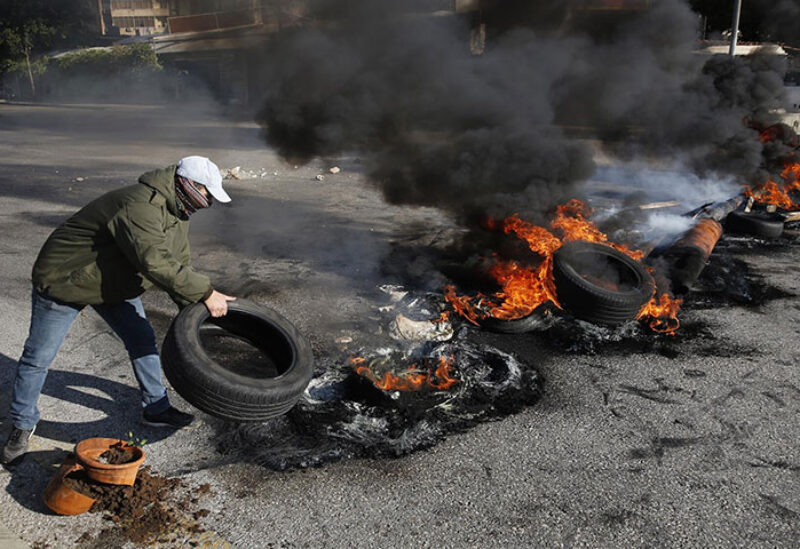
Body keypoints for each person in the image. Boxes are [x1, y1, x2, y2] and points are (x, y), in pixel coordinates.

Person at [1, 156, 235, 465]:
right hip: (65, 279)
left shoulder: (177, 212)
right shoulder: (139, 205)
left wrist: (197, 312)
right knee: (38, 357)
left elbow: (178, 265)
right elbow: (155, 262)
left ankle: (156, 408)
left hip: (112, 284)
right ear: (189, 185)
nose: (209, 203)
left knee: (141, 339)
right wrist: (206, 292)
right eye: (208, 195)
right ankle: (21, 424)